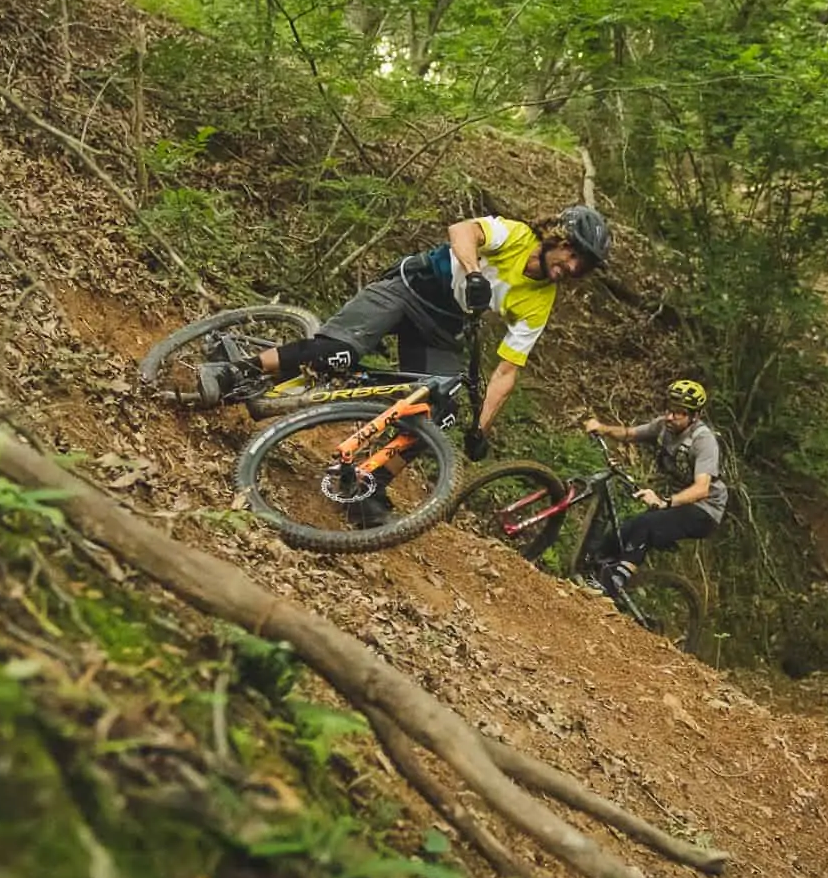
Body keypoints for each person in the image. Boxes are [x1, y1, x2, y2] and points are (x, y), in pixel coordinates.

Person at [202, 206, 611, 523]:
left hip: (442, 325)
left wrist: (480, 428)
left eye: (583, 265)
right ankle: (235, 372)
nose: (573, 267)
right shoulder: (516, 235)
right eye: (572, 253)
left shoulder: (541, 302)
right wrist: (473, 272)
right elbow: (462, 230)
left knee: (441, 410)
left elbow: (507, 371)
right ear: (555, 238)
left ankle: (367, 486)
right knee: (334, 355)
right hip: (407, 289)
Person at [580, 379, 726, 595]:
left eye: (678, 413)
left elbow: (702, 488)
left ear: (694, 416)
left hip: (705, 510)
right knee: (624, 531)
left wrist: (664, 501)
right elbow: (630, 434)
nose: (670, 417)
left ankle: (611, 586)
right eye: (669, 409)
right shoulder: (663, 427)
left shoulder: (703, 440)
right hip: (678, 503)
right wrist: (602, 428)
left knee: (646, 524)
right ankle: (591, 575)